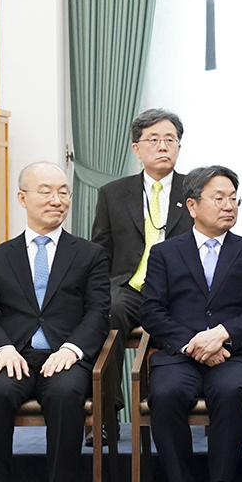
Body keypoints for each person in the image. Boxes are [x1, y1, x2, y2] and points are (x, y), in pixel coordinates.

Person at [0, 163, 110, 482]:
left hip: (64, 355)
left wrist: (73, 348)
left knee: (66, 394)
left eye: (63, 191)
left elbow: (99, 311)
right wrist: (0, 348)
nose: (57, 199)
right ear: (22, 198)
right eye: (46, 191)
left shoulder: (89, 254)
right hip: (13, 356)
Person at [138, 166, 242, 482]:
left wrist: (223, 334)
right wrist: (192, 343)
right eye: (219, 198)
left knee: (230, 392)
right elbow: (150, 309)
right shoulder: (165, 253)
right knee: (164, 395)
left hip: (235, 353)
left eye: (234, 198)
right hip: (179, 353)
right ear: (192, 205)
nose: (229, 206)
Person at [91, 108, 192, 443]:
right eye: (154, 139)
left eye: (170, 140)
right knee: (109, 310)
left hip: (180, 289)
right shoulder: (113, 193)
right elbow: (101, 250)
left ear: (179, 146)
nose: (163, 146)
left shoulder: (196, 190)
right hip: (130, 287)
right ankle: (108, 411)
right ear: (137, 148)